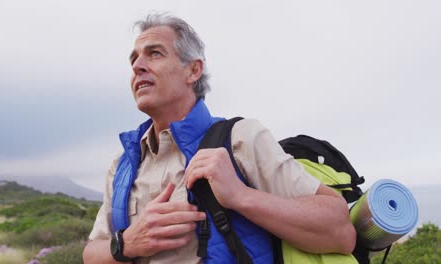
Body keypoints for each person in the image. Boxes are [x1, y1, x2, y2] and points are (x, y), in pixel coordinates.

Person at [82, 13, 356, 264]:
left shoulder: (241, 138)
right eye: (134, 59)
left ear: (193, 70)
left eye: (154, 54)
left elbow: (340, 231)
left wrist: (241, 196)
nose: (138, 66)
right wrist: (127, 243)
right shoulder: (122, 165)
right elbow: (91, 253)